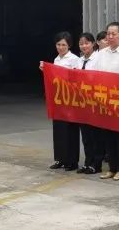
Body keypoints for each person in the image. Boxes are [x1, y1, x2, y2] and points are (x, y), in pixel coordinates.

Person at [95, 22, 119, 181]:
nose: (110, 37)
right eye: (108, 34)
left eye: (114, 34)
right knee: (108, 136)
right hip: (105, 99)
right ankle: (112, 168)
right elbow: (95, 73)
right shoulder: (102, 53)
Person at [41, 32, 83, 171]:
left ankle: (72, 161)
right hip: (58, 99)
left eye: (63, 45)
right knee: (59, 130)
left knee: (70, 130)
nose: (60, 47)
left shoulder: (74, 59)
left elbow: (77, 78)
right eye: (58, 44)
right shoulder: (56, 59)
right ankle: (60, 158)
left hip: (70, 99)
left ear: (69, 45)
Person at [76, 33, 104, 174]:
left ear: (93, 44)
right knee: (86, 136)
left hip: (95, 102)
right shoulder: (79, 61)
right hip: (82, 103)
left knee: (96, 135)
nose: (84, 46)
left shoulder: (99, 59)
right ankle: (88, 162)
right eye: (81, 43)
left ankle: (96, 164)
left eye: (86, 43)